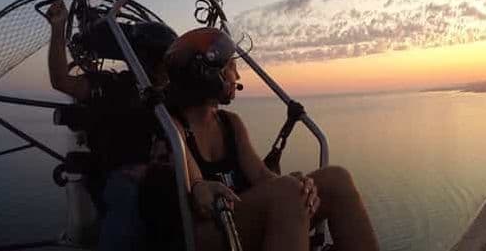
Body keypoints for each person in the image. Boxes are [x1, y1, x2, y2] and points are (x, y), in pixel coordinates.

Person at [163, 27, 380, 251]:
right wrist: (286, 190)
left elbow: (261, 176)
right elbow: (197, 185)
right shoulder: (173, 128)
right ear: (205, 73)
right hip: (207, 232)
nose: (237, 77)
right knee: (287, 192)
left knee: (336, 179)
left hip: (240, 217)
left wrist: (299, 187)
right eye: (231, 68)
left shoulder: (230, 123)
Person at [46, 0, 177, 251]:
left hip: (163, 179)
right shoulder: (112, 87)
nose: (167, 68)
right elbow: (61, 80)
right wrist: (58, 28)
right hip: (122, 179)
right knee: (126, 197)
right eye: (163, 61)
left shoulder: (174, 96)